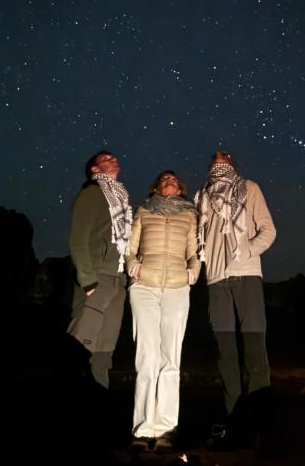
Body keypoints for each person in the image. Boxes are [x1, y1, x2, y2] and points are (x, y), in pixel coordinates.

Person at [195, 150, 276, 448]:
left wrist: (248, 250)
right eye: (213, 157)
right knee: (225, 353)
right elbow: (196, 238)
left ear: (232, 164)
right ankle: (233, 419)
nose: (217, 158)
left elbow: (269, 230)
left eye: (223, 156)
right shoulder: (201, 197)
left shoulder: (249, 188)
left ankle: (263, 422)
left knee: (254, 349)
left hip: (246, 277)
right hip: (216, 281)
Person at [126, 170, 200, 453]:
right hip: (144, 286)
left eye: (173, 179)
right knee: (146, 356)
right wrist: (135, 268)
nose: (169, 180)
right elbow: (130, 247)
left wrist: (192, 273)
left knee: (171, 359)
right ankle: (142, 429)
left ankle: (166, 428)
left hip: (177, 288)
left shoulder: (189, 215)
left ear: (180, 188)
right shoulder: (144, 209)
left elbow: (194, 251)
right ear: (156, 186)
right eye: (164, 178)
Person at [67, 150, 132, 388]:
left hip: (116, 283)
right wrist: (88, 282)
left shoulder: (121, 201)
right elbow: (78, 239)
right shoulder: (92, 193)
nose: (114, 159)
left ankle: (99, 413)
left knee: (104, 353)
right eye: (106, 159)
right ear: (94, 169)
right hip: (96, 280)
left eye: (115, 157)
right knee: (80, 349)